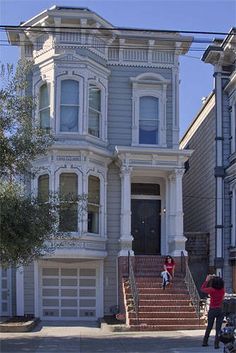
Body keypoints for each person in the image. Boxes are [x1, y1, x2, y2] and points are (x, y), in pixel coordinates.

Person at [200, 274, 225, 349]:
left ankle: (205, 342)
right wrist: (216, 278)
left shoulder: (211, 289)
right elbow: (221, 284)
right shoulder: (222, 290)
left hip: (212, 309)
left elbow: (202, 289)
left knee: (209, 327)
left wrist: (207, 280)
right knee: (218, 328)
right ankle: (216, 344)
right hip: (220, 309)